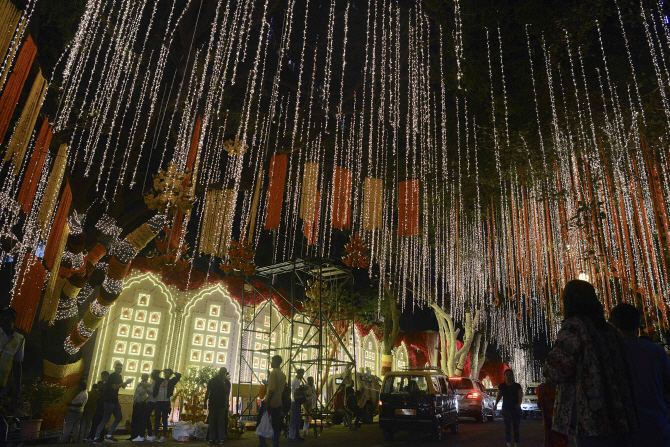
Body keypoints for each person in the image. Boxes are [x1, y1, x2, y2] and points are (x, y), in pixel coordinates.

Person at [543, 280, 638, 447]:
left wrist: (547, 367)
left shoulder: (574, 327)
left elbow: (557, 369)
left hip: (590, 416)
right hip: (620, 415)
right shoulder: (611, 331)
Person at [610, 302, 670, 446]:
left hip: (624, 430)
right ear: (638, 323)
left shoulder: (610, 353)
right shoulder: (656, 351)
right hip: (656, 425)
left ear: (614, 325)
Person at [94, 363, 133, 443]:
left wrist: (127, 382)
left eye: (120, 368)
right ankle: (96, 437)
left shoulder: (119, 376)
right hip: (109, 400)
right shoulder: (112, 376)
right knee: (106, 419)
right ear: (115, 368)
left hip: (115, 400)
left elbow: (123, 386)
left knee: (119, 417)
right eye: (118, 368)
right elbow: (114, 387)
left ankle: (109, 436)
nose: (119, 370)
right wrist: (126, 382)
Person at [259, 355, 286, 447]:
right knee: (276, 424)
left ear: (276, 362)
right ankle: (276, 443)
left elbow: (271, 390)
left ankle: (263, 443)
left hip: (270, 401)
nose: (271, 363)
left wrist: (267, 403)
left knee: (261, 421)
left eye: (272, 361)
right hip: (278, 402)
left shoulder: (273, 373)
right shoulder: (283, 374)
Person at [495, 369, 523, 447]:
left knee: (516, 427)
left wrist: (519, 404)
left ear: (512, 376)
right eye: (506, 375)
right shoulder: (502, 386)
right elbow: (499, 396)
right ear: (504, 376)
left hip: (515, 409)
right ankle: (508, 444)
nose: (508, 376)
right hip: (506, 409)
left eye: (509, 374)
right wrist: (495, 404)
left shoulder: (517, 386)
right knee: (508, 427)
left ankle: (516, 443)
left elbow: (520, 396)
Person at [153, 368, 181, 442]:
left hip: (166, 402)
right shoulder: (159, 380)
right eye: (166, 373)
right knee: (157, 419)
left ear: (170, 375)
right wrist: (160, 371)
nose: (167, 374)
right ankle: (155, 435)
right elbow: (153, 374)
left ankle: (163, 436)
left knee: (165, 419)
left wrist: (174, 372)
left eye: (168, 373)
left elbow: (178, 376)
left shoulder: (171, 382)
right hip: (158, 401)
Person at [536, 380, 568, 447]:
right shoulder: (562, 387)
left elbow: (539, 404)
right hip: (559, 421)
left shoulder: (542, 388)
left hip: (550, 421)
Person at [204, 367, 231, 445]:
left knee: (221, 422)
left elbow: (227, 391)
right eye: (221, 372)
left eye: (224, 372)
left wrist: (223, 383)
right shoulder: (212, 381)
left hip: (221, 404)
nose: (222, 373)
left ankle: (221, 438)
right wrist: (205, 402)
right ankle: (212, 438)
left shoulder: (226, 382)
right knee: (212, 421)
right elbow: (208, 391)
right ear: (219, 372)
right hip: (213, 403)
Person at [0, 308, 24, 397]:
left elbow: (17, 365)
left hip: (2, 384)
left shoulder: (19, 339)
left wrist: (17, 389)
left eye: (8, 317)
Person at [86, 372, 109, 441]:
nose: (101, 378)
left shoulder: (107, 386)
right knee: (97, 422)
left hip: (102, 407)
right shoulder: (104, 387)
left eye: (102, 376)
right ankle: (96, 437)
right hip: (101, 407)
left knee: (98, 422)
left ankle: (97, 437)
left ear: (106, 376)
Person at [131, 373, 151, 441]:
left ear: (147, 378)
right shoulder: (138, 384)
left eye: (145, 376)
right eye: (142, 376)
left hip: (142, 403)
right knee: (134, 419)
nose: (143, 377)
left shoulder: (148, 384)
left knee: (140, 419)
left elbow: (148, 393)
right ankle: (133, 435)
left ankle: (139, 435)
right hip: (136, 402)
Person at [289, 368, 306, 442]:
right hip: (295, 402)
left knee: (297, 419)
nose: (302, 376)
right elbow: (297, 392)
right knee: (294, 419)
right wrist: (304, 389)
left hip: (296, 402)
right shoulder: (296, 381)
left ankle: (296, 435)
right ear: (299, 374)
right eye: (302, 374)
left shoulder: (296, 381)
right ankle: (292, 436)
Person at [143, 370, 160, 442]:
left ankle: (150, 434)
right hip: (150, 400)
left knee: (146, 417)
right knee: (146, 417)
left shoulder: (156, 383)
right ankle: (149, 434)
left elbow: (153, 393)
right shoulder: (154, 382)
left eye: (152, 375)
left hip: (152, 401)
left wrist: (146, 388)